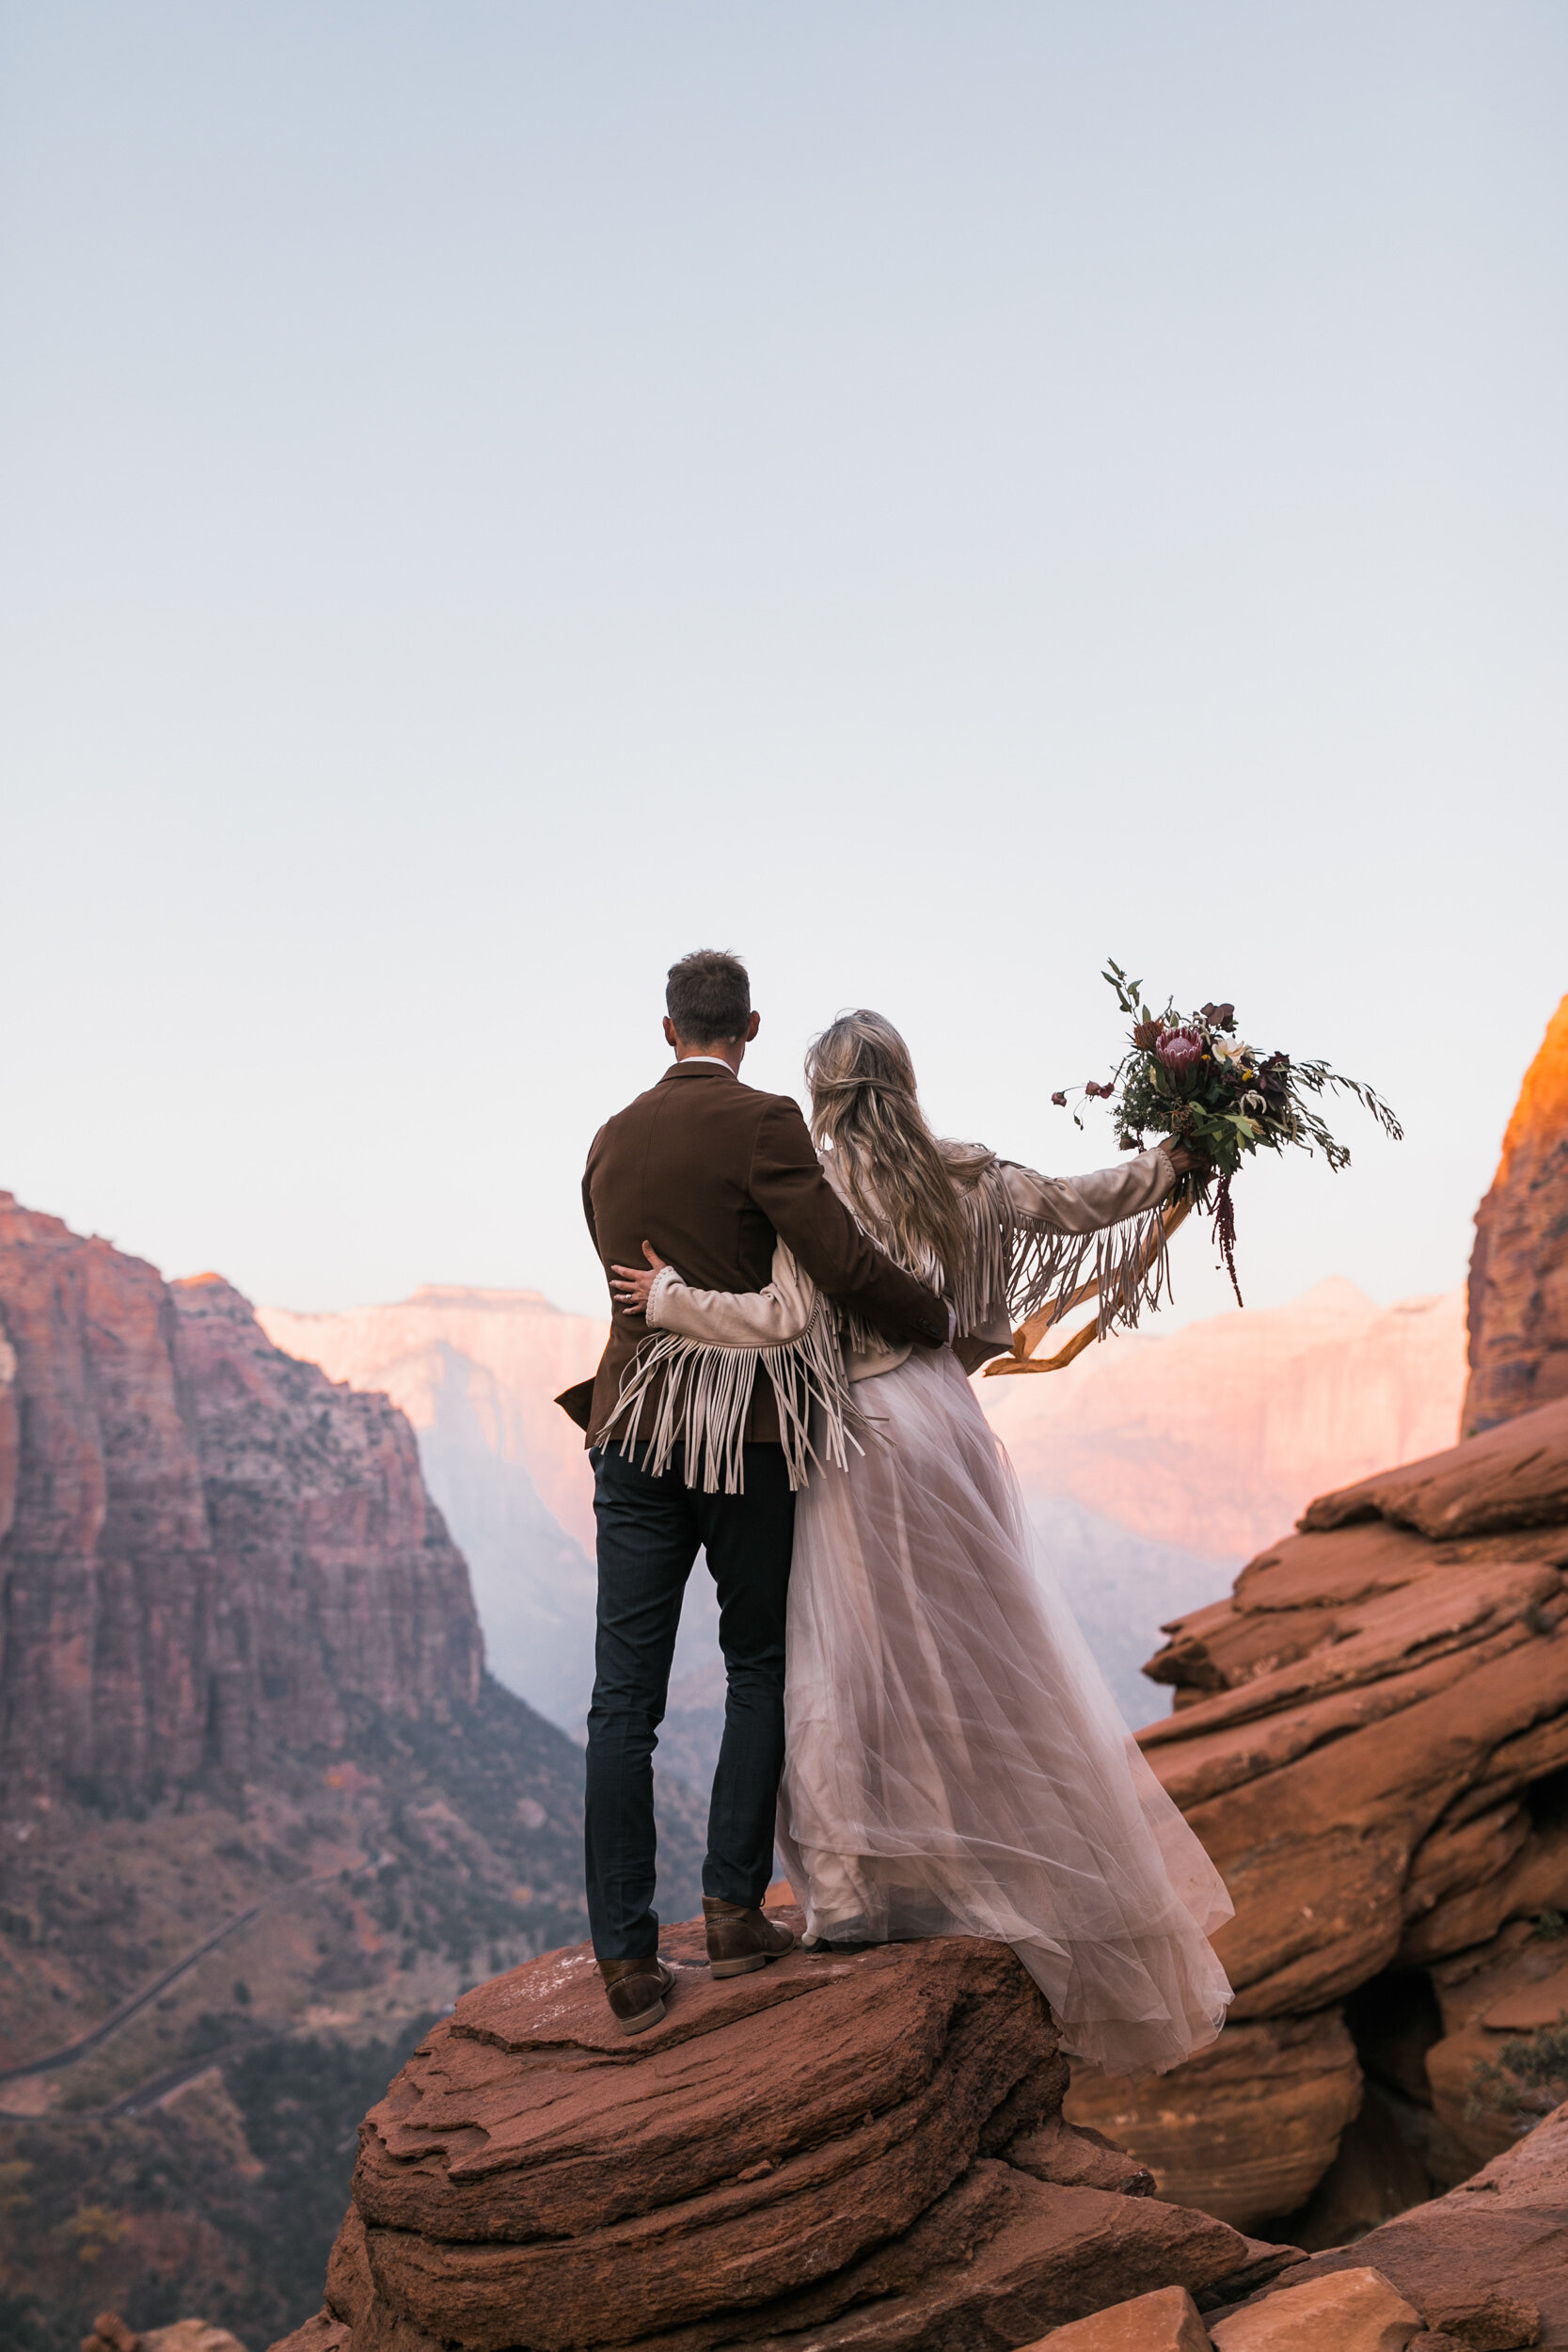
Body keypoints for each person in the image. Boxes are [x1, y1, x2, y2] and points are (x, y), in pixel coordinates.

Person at [608, 1009, 1235, 2076]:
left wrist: (668, 1299)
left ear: (818, 1090)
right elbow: (1084, 1204)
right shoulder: (968, 1174)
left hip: (849, 1437)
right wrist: (1178, 1154)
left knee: (842, 1663)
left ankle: (853, 1897)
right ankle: (998, 1868)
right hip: (946, 1426)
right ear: (903, 1079)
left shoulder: (811, 1187)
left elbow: (780, 1320)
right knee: (978, 1659)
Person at [562, 955, 950, 2035]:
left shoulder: (607, 1137)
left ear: (667, 1028)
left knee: (619, 1701)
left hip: (632, 1428)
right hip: (743, 1437)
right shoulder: (766, 1121)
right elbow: (833, 1256)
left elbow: (625, 1281)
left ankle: (626, 1960)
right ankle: (732, 1912)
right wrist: (928, 1321)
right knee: (756, 1660)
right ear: (750, 1026)